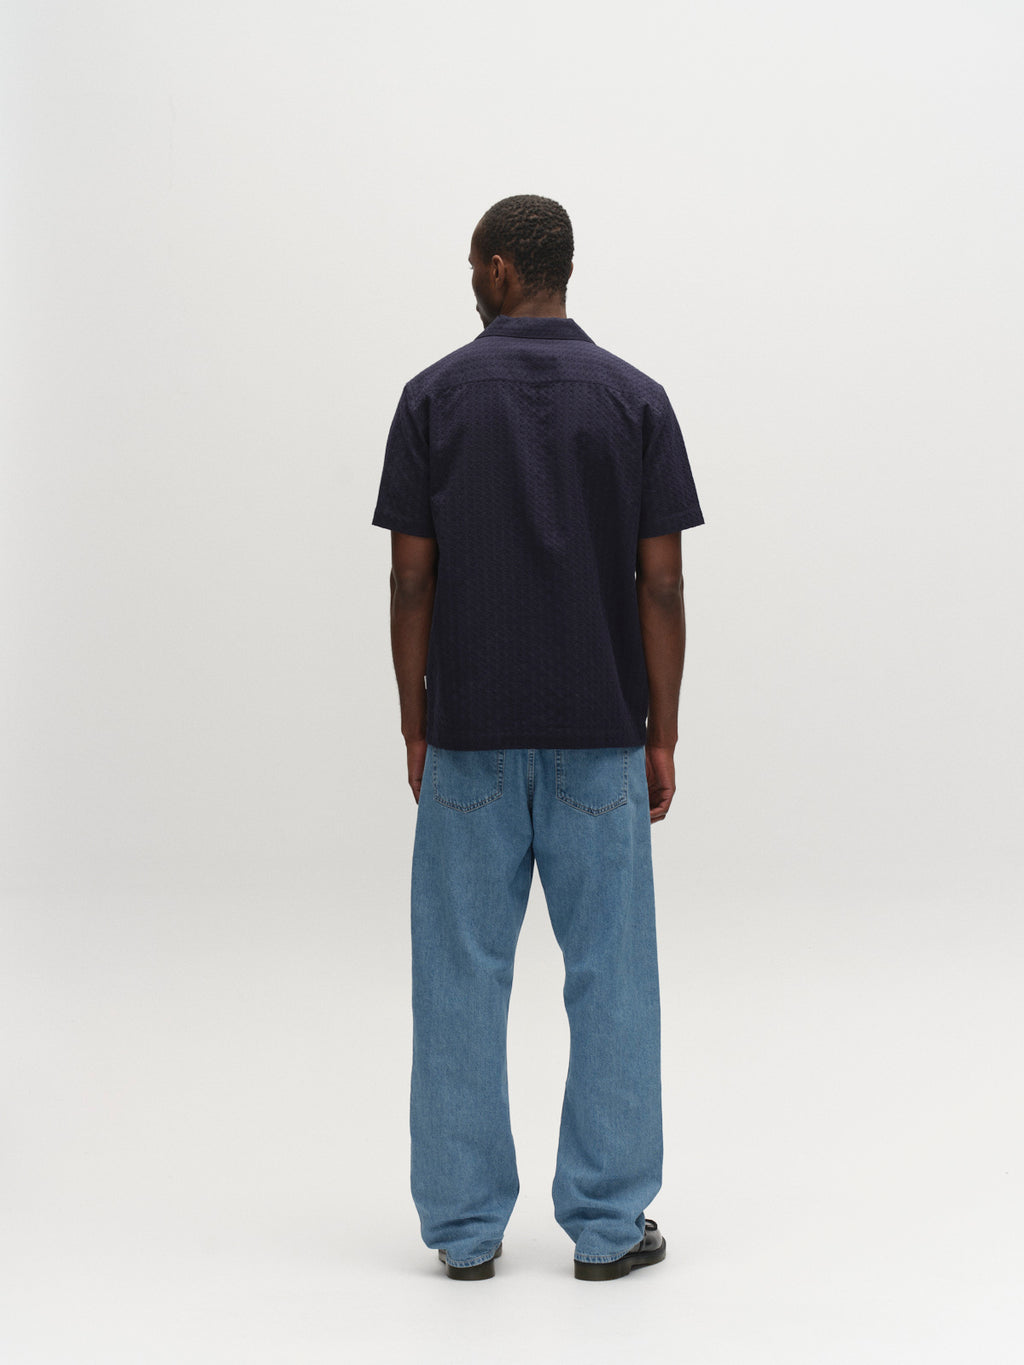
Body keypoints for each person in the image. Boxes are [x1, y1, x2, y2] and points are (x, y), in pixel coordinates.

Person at [371, 194, 703, 1282]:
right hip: (601, 733)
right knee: (612, 979)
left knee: (459, 981)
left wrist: (417, 723)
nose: (468, 274)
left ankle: (465, 1235)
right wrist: (660, 732)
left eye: (475, 260)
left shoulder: (432, 398)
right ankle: (608, 1230)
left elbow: (411, 572)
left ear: (506, 270)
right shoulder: (637, 401)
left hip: (469, 733)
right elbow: (660, 585)